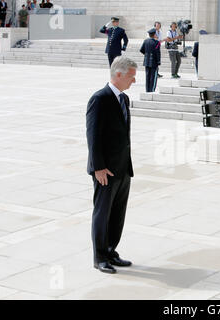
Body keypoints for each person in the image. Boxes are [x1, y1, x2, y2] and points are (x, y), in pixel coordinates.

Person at [86, 56, 137, 274]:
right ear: (118, 74)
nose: (133, 81)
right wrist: (98, 167)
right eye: (131, 77)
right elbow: (93, 135)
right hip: (105, 170)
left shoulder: (123, 99)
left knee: (117, 213)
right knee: (102, 213)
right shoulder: (100, 99)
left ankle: (110, 250)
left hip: (123, 168)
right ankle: (100, 257)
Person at [140, 28, 161, 92]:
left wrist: (147, 55)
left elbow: (141, 50)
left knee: (147, 76)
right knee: (153, 77)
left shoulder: (145, 41)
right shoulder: (157, 42)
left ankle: (147, 90)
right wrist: (158, 61)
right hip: (154, 62)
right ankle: (152, 90)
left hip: (146, 61)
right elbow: (157, 53)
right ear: (154, 34)